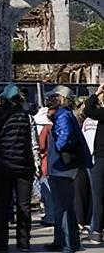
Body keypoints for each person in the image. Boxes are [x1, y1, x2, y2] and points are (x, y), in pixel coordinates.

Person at [0, 84, 36, 252]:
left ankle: (1, 244)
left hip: (3, 166)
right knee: (24, 206)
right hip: (24, 166)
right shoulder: (27, 116)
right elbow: (32, 142)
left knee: (2, 207)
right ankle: (24, 242)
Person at [44, 86, 92, 252]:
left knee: (63, 207)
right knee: (62, 206)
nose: (51, 100)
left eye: (54, 96)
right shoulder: (63, 115)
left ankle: (68, 243)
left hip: (61, 167)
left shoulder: (62, 115)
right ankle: (62, 240)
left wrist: (57, 149)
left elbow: (65, 137)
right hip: (63, 167)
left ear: (61, 99)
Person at [83, 82, 104, 244]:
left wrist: (97, 93)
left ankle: (96, 231)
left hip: (101, 158)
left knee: (98, 196)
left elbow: (88, 109)